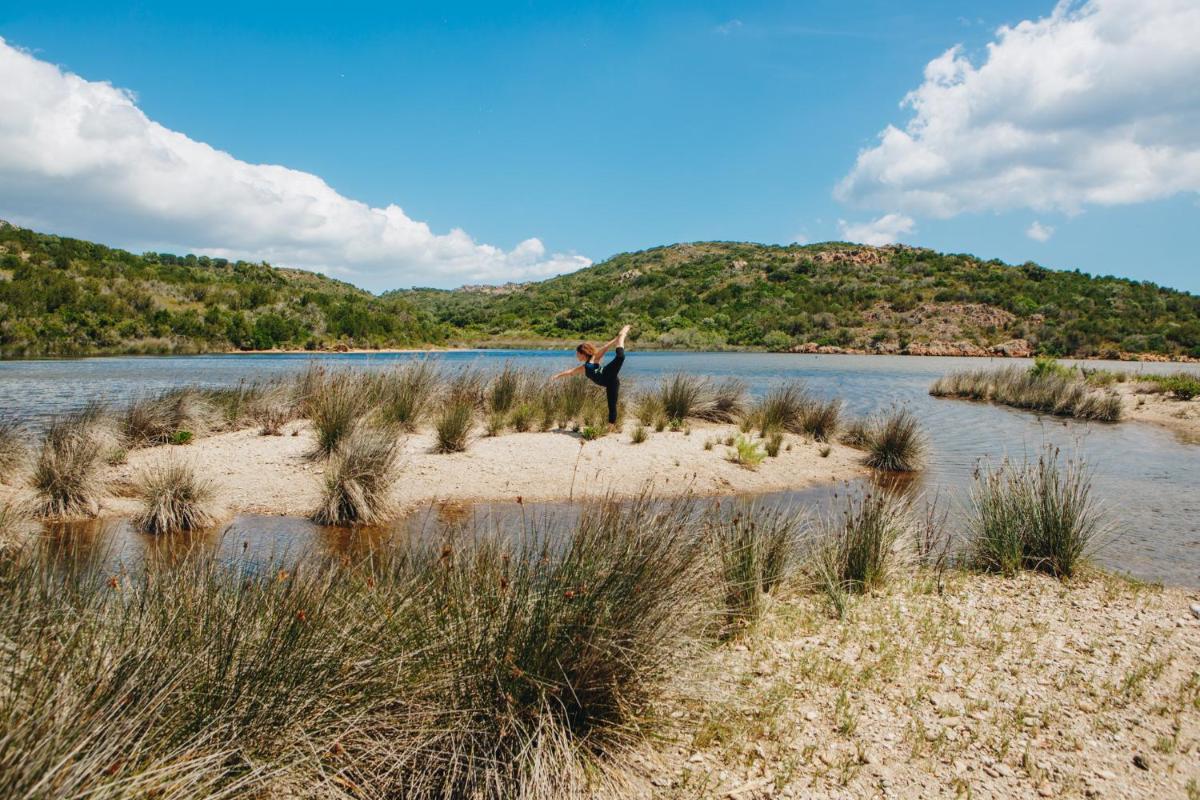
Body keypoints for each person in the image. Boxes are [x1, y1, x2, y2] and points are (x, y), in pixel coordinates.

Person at [551, 325, 631, 428]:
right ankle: (611, 428)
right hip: (611, 382)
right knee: (612, 405)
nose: (576, 356)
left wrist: (617, 339)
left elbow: (605, 347)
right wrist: (558, 375)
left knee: (620, 357)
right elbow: (571, 372)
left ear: (583, 353)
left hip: (607, 373)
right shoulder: (585, 367)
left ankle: (622, 336)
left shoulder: (594, 359)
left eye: (577, 353)